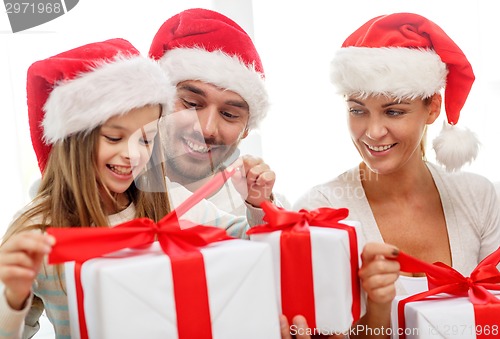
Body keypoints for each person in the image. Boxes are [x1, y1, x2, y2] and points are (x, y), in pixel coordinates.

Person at [0, 38, 264, 338]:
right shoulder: (37, 232)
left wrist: (257, 203)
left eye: (146, 139)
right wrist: (13, 298)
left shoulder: (170, 201)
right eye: (114, 138)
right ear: (73, 141)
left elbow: (253, 242)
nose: (133, 154)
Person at [289, 12, 500, 339]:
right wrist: (375, 309)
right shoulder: (320, 212)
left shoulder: (478, 197)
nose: (372, 132)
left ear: (432, 108)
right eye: (357, 110)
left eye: (393, 111)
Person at [149, 8, 291, 216]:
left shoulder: (266, 210)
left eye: (229, 115)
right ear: (155, 103)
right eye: (191, 104)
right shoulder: (110, 197)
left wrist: (264, 210)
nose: (206, 129)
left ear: (246, 130)